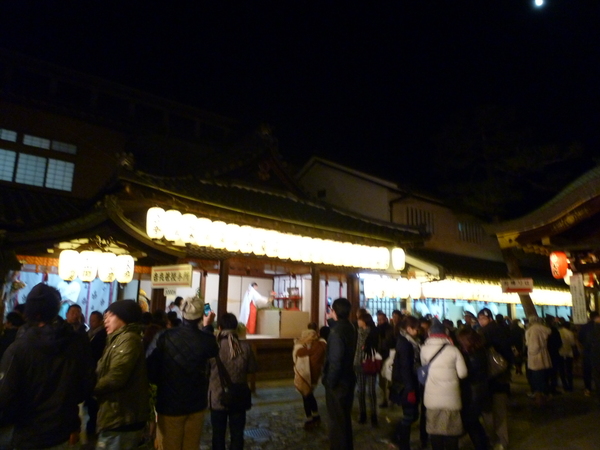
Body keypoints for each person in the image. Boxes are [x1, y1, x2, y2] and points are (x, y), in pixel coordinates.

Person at [0, 283, 95, 449]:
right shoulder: (74, 344)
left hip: (28, 434)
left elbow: (5, 398)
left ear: (29, 311)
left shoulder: (19, 349)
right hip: (62, 433)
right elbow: (85, 387)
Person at [147, 296, 219, 450]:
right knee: (191, 446)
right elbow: (212, 349)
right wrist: (207, 326)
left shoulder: (164, 337)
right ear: (201, 316)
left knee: (168, 445)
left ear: (182, 313)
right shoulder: (206, 339)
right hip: (196, 403)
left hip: (169, 404)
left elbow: (150, 368)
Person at [95, 300, 149, 449]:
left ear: (123, 317)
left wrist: (89, 387)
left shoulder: (128, 339)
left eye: (110, 316)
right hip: (117, 415)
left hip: (122, 417)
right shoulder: (117, 339)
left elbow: (116, 377)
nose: (105, 320)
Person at [208, 313, 257, 450]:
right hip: (238, 397)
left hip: (217, 397)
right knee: (237, 434)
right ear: (236, 327)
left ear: (219, 327)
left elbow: (205, 370)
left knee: (218, 435)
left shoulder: (213, 348)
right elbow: (252, 368)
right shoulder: (245, 347)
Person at [421, 319, 467, 450]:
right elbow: (463, 373)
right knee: (451, 431)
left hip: (431, 397)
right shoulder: (454, 350)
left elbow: (425, 368)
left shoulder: (424, 349)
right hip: (451, 398)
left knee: (435, 431)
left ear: (430, 334)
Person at [322, 298, 357, 450]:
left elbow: (335, 361)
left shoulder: (336, 333)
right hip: (348, 378)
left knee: (337, 423)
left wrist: (329, 382)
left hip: (339, 383)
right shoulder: (350, 327)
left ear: (334, 311)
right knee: (344, 420)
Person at [478, 307, 512, 450]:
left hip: (488, 378)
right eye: (479, 319)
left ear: (489, 319)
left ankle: (492, 439)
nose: (480, 321)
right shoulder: (503, 330)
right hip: (502, 375)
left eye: (483, 319)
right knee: (500, 411)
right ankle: (503, 441)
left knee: (488, 411)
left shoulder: (482, 333)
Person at [456, 327, 491, 450]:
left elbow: (468, 374)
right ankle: (483, 444)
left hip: (472, 391)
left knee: (471, 421)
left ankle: (482, 446)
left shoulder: (473, 354)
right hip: (478, 389)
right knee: (474, 421)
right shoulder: (479, 350)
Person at [390, 316, 420, 450]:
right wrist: (410, 389)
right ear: (409, 329)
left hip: (409, 383)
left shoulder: (410, 341)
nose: (418, 331)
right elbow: (405, 367)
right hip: (406, 385)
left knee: (412, 415)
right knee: (409, 416)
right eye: (416, 329)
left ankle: (397, 438)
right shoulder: (405, 343)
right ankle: (402, 444)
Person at [293, 328, 327, 429]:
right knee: (309, 395)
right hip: (314, 374)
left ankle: (310, 418)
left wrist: (298, 344)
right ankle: (315, 415)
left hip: (308, 374)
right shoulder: (319, 345)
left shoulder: (309, 347)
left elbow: (298, 353)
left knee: (306, 395)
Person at [354, 312, 379, 426]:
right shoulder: (356, 332)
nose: (357, 321)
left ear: (364, 321)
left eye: (359, 319)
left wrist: (368, 347)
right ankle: (362, 413)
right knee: (361, 390)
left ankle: (374, 415)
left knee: (371, 391)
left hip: (369, 363)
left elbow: (376, 346)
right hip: (359, 363)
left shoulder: (373, 332)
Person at [86, 310, 107, 441]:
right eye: (91, 319)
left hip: (96, 374)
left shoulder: (101, 335)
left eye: (94, 320)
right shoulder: (90, 333)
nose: (91, 322)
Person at [525, 316, 552, 406]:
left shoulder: (533, 330)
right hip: (544, 356)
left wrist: (530, 351)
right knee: (543, 377)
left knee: (537, 378)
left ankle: (539, 398)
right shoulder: (544, 329)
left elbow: (534, 345)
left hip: (536, 358)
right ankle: (545, 395)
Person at [578, 311, 600, 395]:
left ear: (590, 317)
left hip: (587, 352)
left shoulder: (585, 327)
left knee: (587, 371)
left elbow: (580, 338)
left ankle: (588, 389)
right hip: (597, 353)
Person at [376, 310, 395, 408]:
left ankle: (390, 399)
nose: (379, 321)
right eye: (378, 320)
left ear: (386, 319)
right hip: (380, 356)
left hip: (389, 356)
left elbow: (391, 342)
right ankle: (385, 399)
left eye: (381, 320)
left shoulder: (390, 329)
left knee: (389, 379)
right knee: (382, 380)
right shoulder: (377, 329)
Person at [557, 320, 575, 392]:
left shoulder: (558, 331)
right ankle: (570, 385)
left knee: (561, 370)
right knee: (569, 370)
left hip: (560, 353)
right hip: (568, 353)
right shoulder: (570, 333)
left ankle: (564, 385)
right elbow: (572, 343)